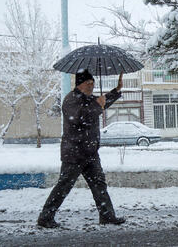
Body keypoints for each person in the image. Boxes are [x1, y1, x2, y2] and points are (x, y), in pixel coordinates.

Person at [37, 69, 125, 228]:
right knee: (64, 185)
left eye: (93, 83)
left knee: (99, 184)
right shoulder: (71, 100)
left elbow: (101, 102)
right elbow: (80, 117)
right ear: (80, 84)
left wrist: (116, 91)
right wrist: (98, 105)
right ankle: (45, 217)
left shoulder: (89, 98)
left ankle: (107, 216)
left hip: (90, 152)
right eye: (88, 83)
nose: (91, 86)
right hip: (74, 154)